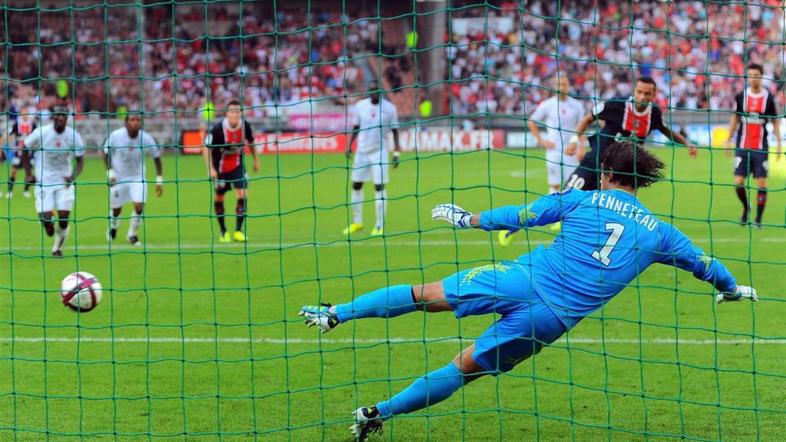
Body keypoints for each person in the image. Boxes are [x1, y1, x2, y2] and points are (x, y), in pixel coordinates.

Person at [299, 141, 757, 441]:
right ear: (638, 182)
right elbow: (705, 265)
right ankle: (376, 414)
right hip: (551, 320)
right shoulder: (660, 233)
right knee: (461, 368)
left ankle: (335, 313)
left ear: (606, 174)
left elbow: (522, 215)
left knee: (424, 294)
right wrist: (732, 288)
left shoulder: (580, 198)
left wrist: (468, 219)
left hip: (519, 278)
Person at [564, 77, 697, 191]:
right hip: (594, 161)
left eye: (647, 93)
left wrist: (687, 144)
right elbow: (588, 118)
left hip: (618, 174)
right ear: (635, 91)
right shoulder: (615, 105)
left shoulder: (654, 113)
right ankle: (558, 222)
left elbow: (666, 130)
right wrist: (574, 141)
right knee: (567, 196)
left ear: (654, 94)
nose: (642, 97)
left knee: (600, 212)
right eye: (639, 92)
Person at [500, 74, 584, 245]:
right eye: (559, 83)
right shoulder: (548, 105)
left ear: (569, 85)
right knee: (554, 186)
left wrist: (581, 146)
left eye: (565, 83)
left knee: (572, 187)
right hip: (553, 152)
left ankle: (562, 218)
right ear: (554, 86)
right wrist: (542, 141)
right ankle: (555, 217)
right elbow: (532, 121)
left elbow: (582, 127)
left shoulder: (577, 105)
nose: (562, 86)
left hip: (571, 152)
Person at [22, 105, 85, 257]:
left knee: (64, 218)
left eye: (63, 115)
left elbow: (80, 160)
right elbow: (24, 147)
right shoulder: (42, 132)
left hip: (64, 182)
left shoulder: (74, 136)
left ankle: (57, 248)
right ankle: (47, 225)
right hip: (44, 181)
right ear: (53, 117)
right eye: (57, 115)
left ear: (67, 118)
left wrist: (73, 176)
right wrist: (28, 174)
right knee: (46, 220)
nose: (60, 118)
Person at [725, 63, 781, 227]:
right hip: (742, 146)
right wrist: (728, 140)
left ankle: (758, 219)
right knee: (738, 182)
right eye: (750, 75)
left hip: (761, 147)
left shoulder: (768, 98)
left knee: (762, 184)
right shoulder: (741, 96)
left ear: (761, 76)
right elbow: (735, 119)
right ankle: (745, 208)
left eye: (756, 75)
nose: (753, 78)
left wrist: (778, 144)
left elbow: (775, 122)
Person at [343, 80, 401, 237]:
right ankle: (357, 222)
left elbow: (395, 131)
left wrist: (396, 152)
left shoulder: (390, 108)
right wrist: (349, 145)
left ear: (381, 91)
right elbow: (356, 126)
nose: (374, 93)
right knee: (356, 185)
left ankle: (379, 225)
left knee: (379, 187)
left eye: (376, 90)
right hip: (361, 152)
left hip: (379, 152)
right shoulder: (361, 106)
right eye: (371, 90)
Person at [202, 99, 259, 243]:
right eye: (232, 111)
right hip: (220, 168)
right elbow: (205, 148)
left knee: (243, 193)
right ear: (227, 113)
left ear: (241, 113)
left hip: (238, 166)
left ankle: (238, 231)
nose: (235, 114)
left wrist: (256, 160)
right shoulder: (217, 129)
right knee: (219, 198)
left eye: (237, 111)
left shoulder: (245, 126)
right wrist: (210, 168)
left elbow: (251, 142)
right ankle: (223, 231)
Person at [103, 112, 164, 246]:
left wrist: (159, 180)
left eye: (137, 120)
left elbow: (157, 158)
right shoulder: (116, 136)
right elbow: (105, 152)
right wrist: (110, 173)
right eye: (132, 120)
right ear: (126, 122)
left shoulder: (146, 138)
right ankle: (113, 226)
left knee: (139, 206)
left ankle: (132, 234)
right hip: (118, 178)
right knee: (116, 209)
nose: (135, 122)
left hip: (137, 178)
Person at [3, 107, 37, 198]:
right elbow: (8, 134)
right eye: (23, 113)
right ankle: (10, 191)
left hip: (29, 153)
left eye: (26, 113)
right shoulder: (16, 124)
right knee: (13, 171)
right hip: (18, 152)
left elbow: (38, 136)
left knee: (28, 172)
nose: (25, 115)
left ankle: (26, 191)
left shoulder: (33, 124)